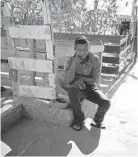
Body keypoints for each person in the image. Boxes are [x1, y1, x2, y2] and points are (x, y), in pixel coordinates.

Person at [63, 36, 111, 131]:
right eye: (79, 50)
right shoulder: (70, 60)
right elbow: (68, 81)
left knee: (106, 103)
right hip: (76, 87)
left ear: (89, 48)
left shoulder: (95, 60)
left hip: (90, 87)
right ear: (75, 49)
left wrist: (80, 78)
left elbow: (95, 80)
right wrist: (74, 64)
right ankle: (78, 120)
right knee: (72, 89)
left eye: (86, 49)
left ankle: (96, 120)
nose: (83, 52)